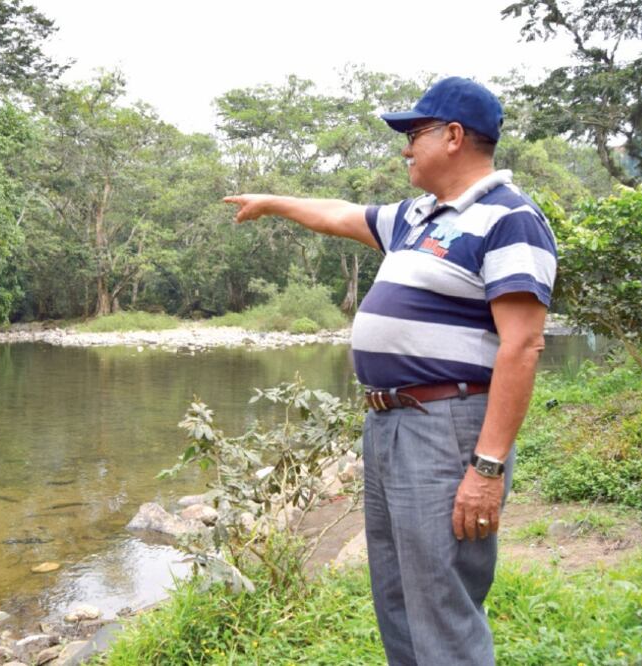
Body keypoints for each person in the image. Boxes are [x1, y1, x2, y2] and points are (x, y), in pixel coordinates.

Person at [224, 77, 557, 665]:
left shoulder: (511, 220)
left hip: (446, 427)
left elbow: (523, 345)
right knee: (398, 595)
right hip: (390, 425)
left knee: (440, 602)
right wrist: (272, 202)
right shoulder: (417, 218)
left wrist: (486, 468)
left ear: (454, 137)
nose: (405, 147)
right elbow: (338, 214)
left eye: (414, 133)